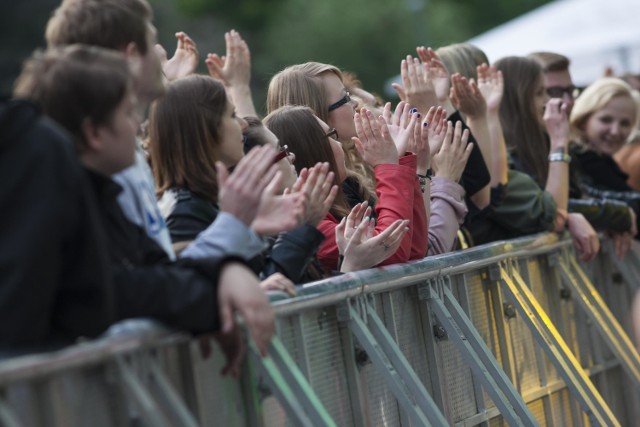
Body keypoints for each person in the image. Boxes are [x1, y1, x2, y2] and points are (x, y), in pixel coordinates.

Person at [10, 45, 274, 372]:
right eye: (126, 112)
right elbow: (106, 291)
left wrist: (221, 278)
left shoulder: (95, 194)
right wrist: (212, 295)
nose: (138, 123)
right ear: (94, 133)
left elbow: (152, 269)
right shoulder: (49, 199)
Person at [569, 77, 640, 247]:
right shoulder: (578, 158)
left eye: (625, 123)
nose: (615, 131)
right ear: (584, 118)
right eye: (606, 120)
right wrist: (621, 215)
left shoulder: (604, 160)